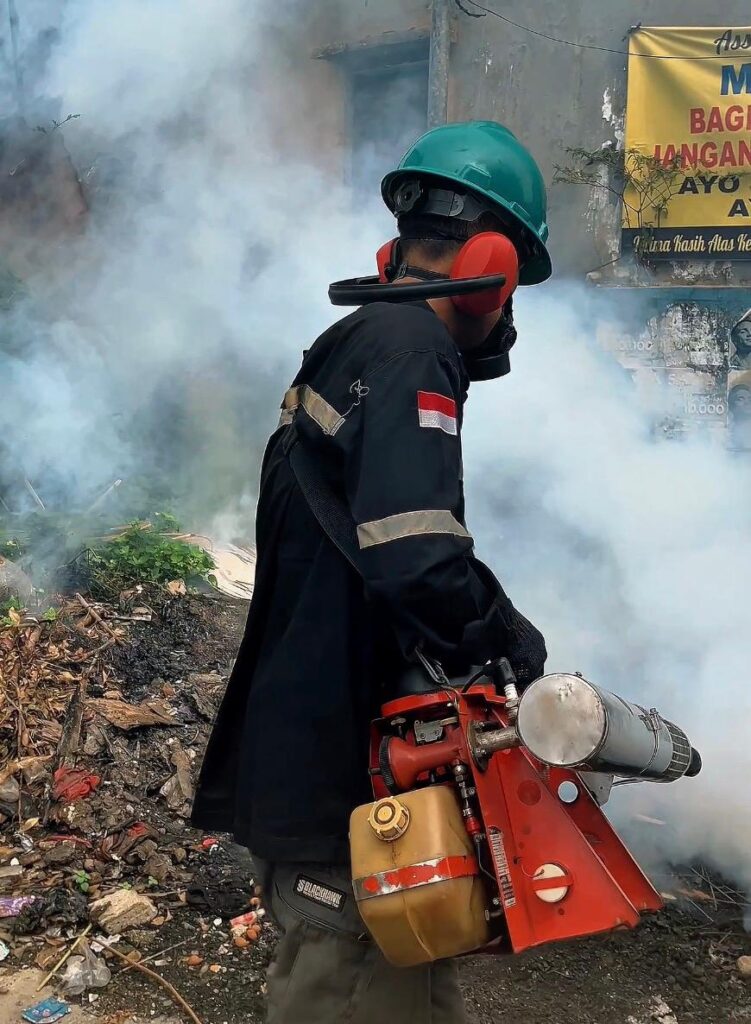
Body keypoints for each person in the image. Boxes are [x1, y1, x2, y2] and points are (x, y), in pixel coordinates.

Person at [192, 120, 551, 1023]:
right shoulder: (409, 353)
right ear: (494, 265)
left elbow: (372, 543)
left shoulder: (354, 342)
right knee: (353, 977)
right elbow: (416, 559)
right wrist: (505, 637)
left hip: (315, 739)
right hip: (344, 773)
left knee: (413, 975)